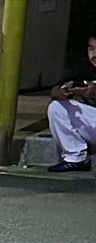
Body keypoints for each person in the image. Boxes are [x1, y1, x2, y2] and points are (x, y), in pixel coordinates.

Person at [46, 28, 96, 173]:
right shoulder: (84, 69)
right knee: (56, 107)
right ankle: (76, 158)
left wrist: (93, 92)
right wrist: (62, 92)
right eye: (91, 49)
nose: (94, 54)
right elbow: (55, 90)